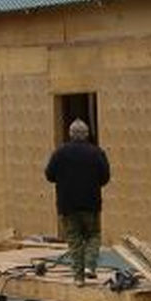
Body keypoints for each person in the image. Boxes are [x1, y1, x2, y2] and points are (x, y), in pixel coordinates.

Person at [44, 119, 111, 284]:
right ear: (87, 134)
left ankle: (78, 278)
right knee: (93, 235)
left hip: (67, 204)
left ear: (70, 134)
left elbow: (49, 175)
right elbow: (105, 177)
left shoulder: (60, 153)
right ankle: (90, 265)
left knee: (74, 240)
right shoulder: (97, 152)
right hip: (91, 203)